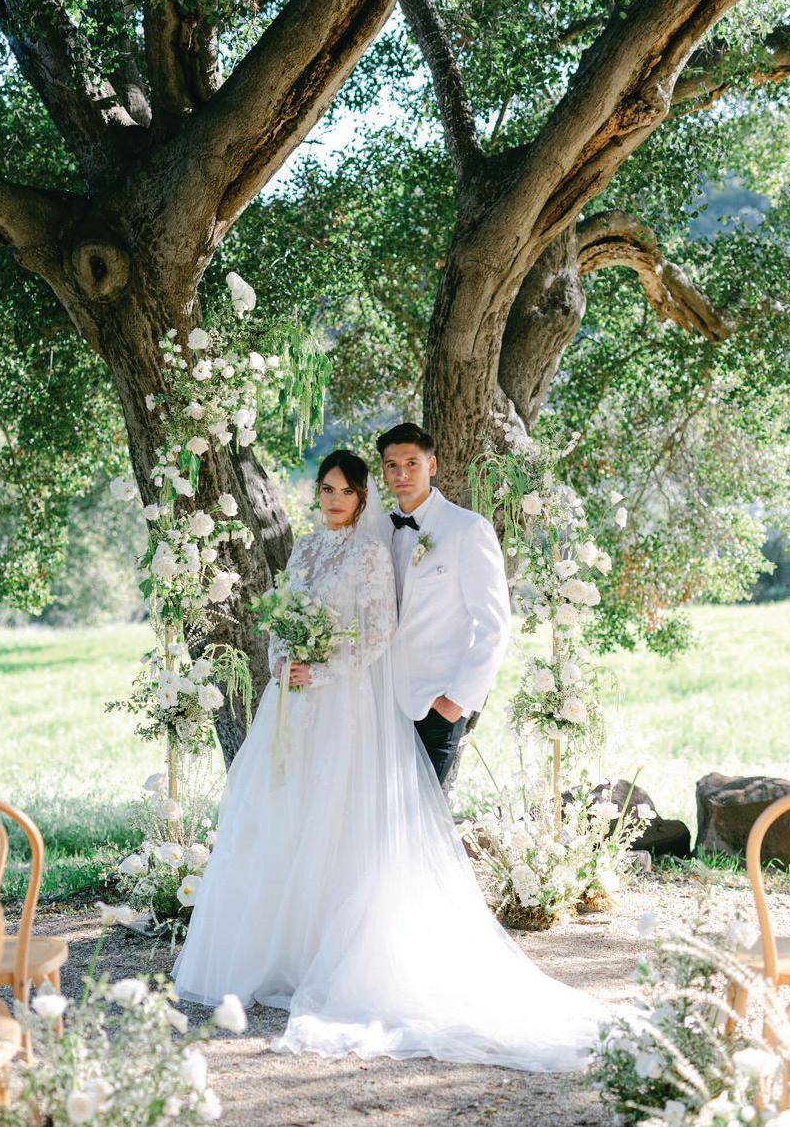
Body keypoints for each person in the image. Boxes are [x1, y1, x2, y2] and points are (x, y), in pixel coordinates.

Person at [172, 448, 608, 1071]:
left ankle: (346, 955)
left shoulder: (375, 552)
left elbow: (379, 633)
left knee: (346, 821)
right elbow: (279, 619)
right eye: (325, 490)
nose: (333, 500)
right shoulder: (303, 549)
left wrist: (323, 670)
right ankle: (283, 952)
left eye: (345, 491)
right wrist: (281, 664)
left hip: (347, 704)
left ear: (362, 496)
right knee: (285, 815)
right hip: (292, 703)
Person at [378, 422, 510, 786]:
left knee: (420, 812)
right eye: (392, 465)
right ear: (384, 472)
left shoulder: (467, 529)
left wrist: (456, 701)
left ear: (431, 465)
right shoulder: (379, 530)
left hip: (437, 704)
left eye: (412, 463)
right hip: (381, 704)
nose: (402, 474)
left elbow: (494, 624)